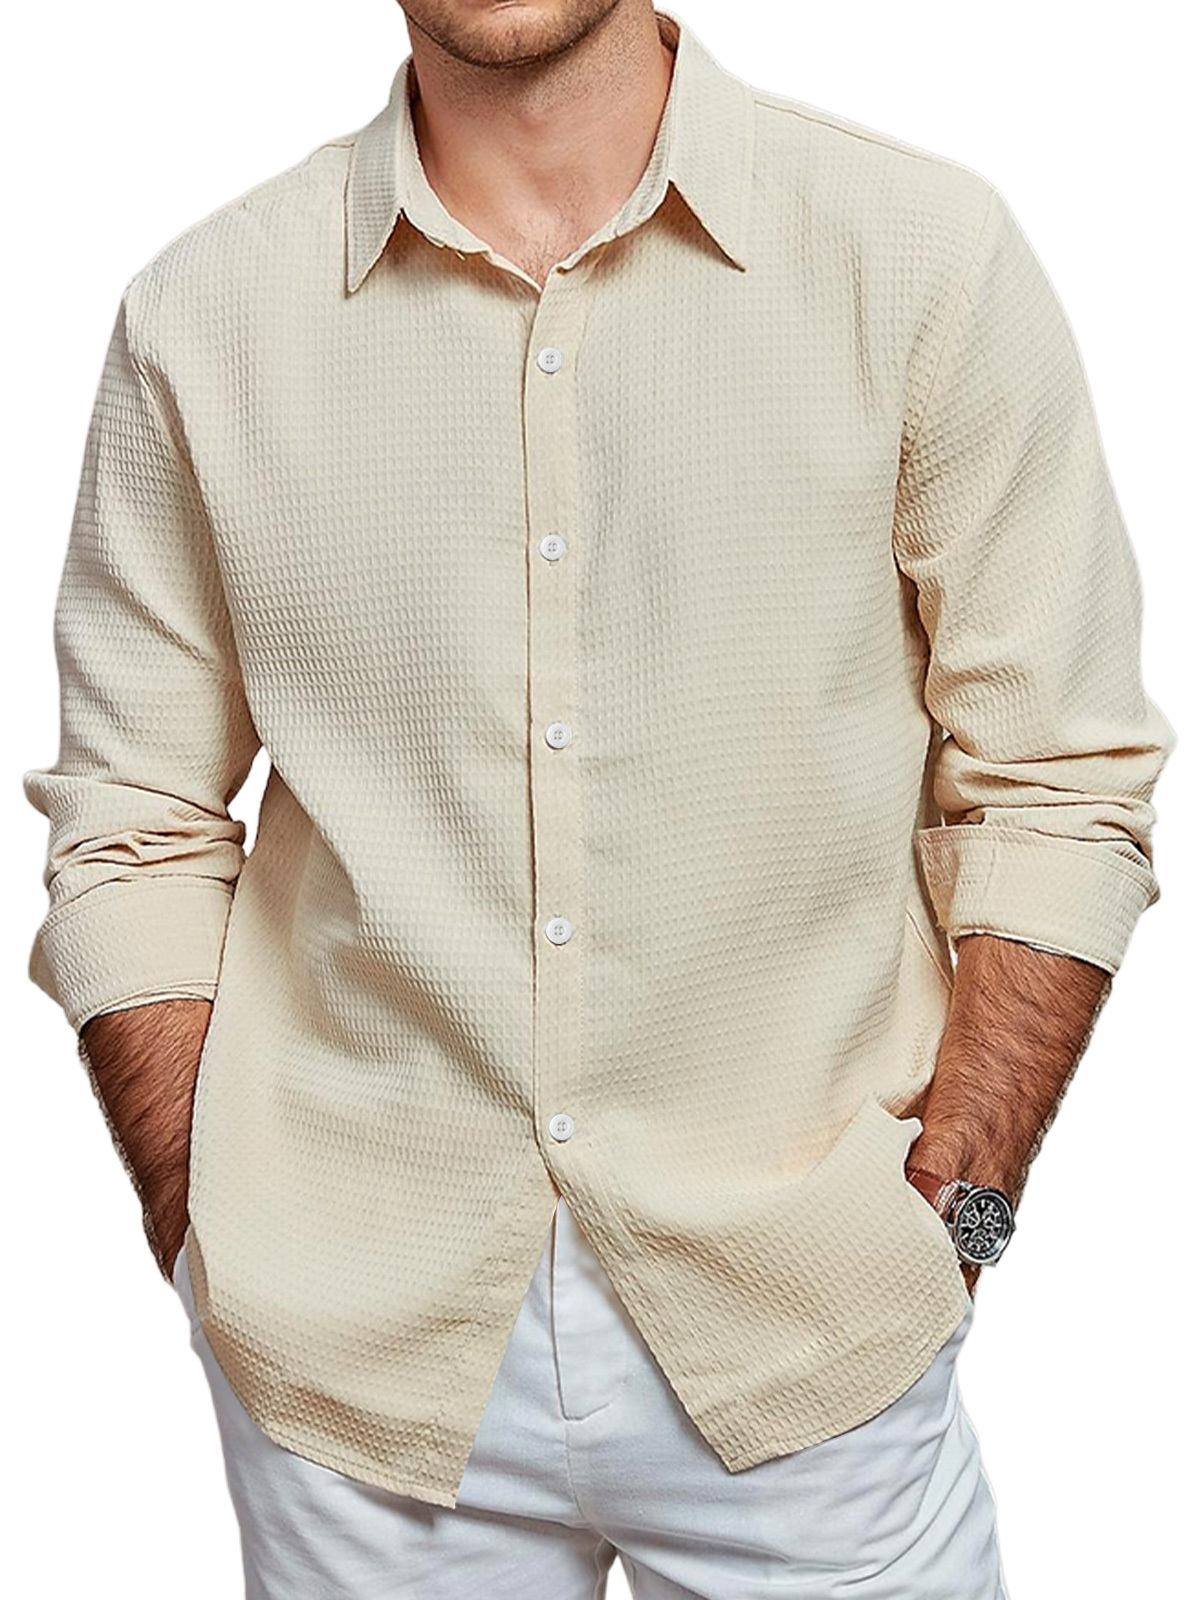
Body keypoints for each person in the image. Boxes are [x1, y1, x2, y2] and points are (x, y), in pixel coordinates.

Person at [23, 3, 1175, 1595]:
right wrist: (201, 1232)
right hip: (355, 1361)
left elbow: (1057, 778)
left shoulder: (920, 259)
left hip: (808, 1324)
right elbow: (133, 822)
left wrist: (959, 1213)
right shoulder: (205, 315)